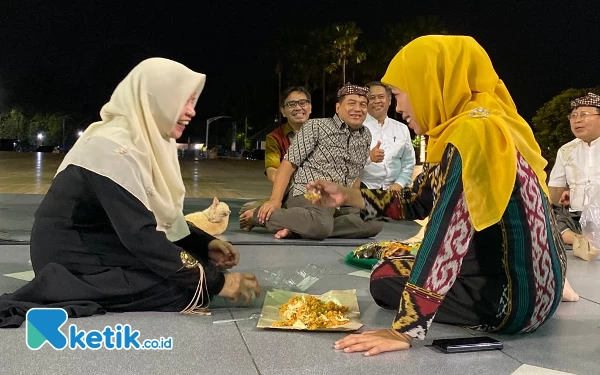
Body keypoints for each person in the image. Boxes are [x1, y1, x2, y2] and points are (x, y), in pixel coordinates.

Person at [306, 35, 569, 356]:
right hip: (545, 290)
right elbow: (419, 199)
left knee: (383, 275)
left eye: (401, 94)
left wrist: (404, 330)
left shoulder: (471, 136)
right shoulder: (491, 122)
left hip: (513, 304)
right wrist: (350, 196)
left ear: (431, 85)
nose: (399, 107)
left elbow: (447, 236)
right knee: (397, 260)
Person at [0, 58, 260, 328]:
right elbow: (141, 234)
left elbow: (154, 216)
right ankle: (65, 285)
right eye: (183, 100)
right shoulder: (111, 147)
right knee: (186, 289)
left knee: (195, 268)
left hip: (102, 240)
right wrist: (217, 284)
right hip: (72, 256)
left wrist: (203, 244)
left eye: (193, 102)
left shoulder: (137, 141)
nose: (191, 111)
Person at [239, 84, 384, 240]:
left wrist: (354, 202)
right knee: (321, 223)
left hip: (339, 200)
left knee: (375, 220)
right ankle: (257, 216)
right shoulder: (316, 126)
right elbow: (288, 164)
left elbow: (356, 175)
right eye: (351, 103)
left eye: (363, 105)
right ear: (338, 107)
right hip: (309, 193)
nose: (358, 108)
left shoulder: (365, 135)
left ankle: (299, 228)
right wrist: (275, 200)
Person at [239, 86, 312, 221]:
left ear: (310, 107)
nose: (298, 108)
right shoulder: (274, 138)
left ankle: (268, 218)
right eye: (291, 104)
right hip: (290, 192)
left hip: (319, 193)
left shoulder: (323, 133)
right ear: (283, 111)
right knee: (246, 209)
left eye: (303, 103)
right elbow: (272, 171)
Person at [548, 92, 600, 245]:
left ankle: (585, 242)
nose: (577, 120)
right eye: (573, 116)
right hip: (574, 217)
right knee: (547, 223)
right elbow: (555, 189)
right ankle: (581, 241)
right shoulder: (566, 150)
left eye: (584, 114)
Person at [361, 81, 415, 191]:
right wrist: (369, 157)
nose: (377, 101)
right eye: (372, 98)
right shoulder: (357, 128)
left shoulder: (401, 128)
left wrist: (399, 184)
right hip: (365, 190)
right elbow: (347, 164)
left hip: (396, 191)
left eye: (381, 97)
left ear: (389, 100)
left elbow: (408, 163)